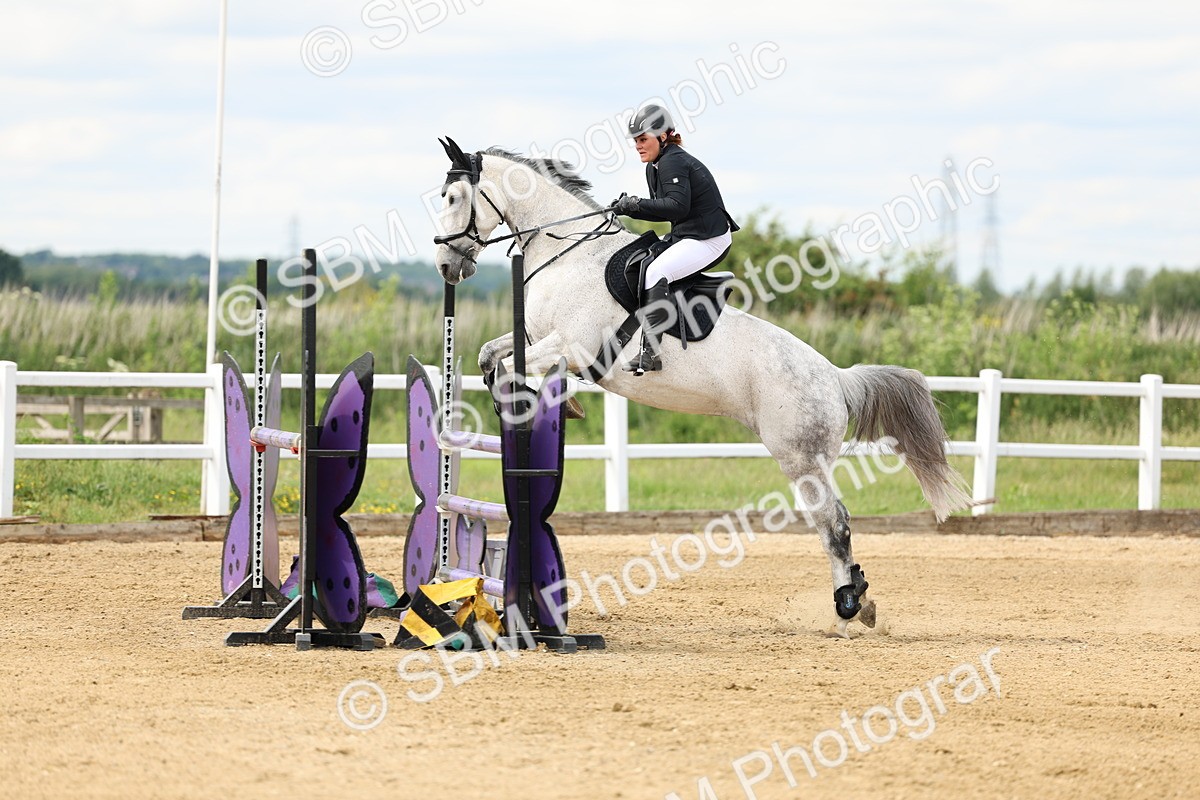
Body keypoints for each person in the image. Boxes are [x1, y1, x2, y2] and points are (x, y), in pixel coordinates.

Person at [613, 104, 740, 374]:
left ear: (662, 136)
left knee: (656, 271)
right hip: (687, 233)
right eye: (635, 140)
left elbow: (676, 207)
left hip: (710, 239)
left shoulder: (673, 160)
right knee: (643, 257)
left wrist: (636, 205)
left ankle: (651, 353)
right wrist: (629, 208)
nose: (638, 145)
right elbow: (665, 210)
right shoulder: (654, 166)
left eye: (643, 139)